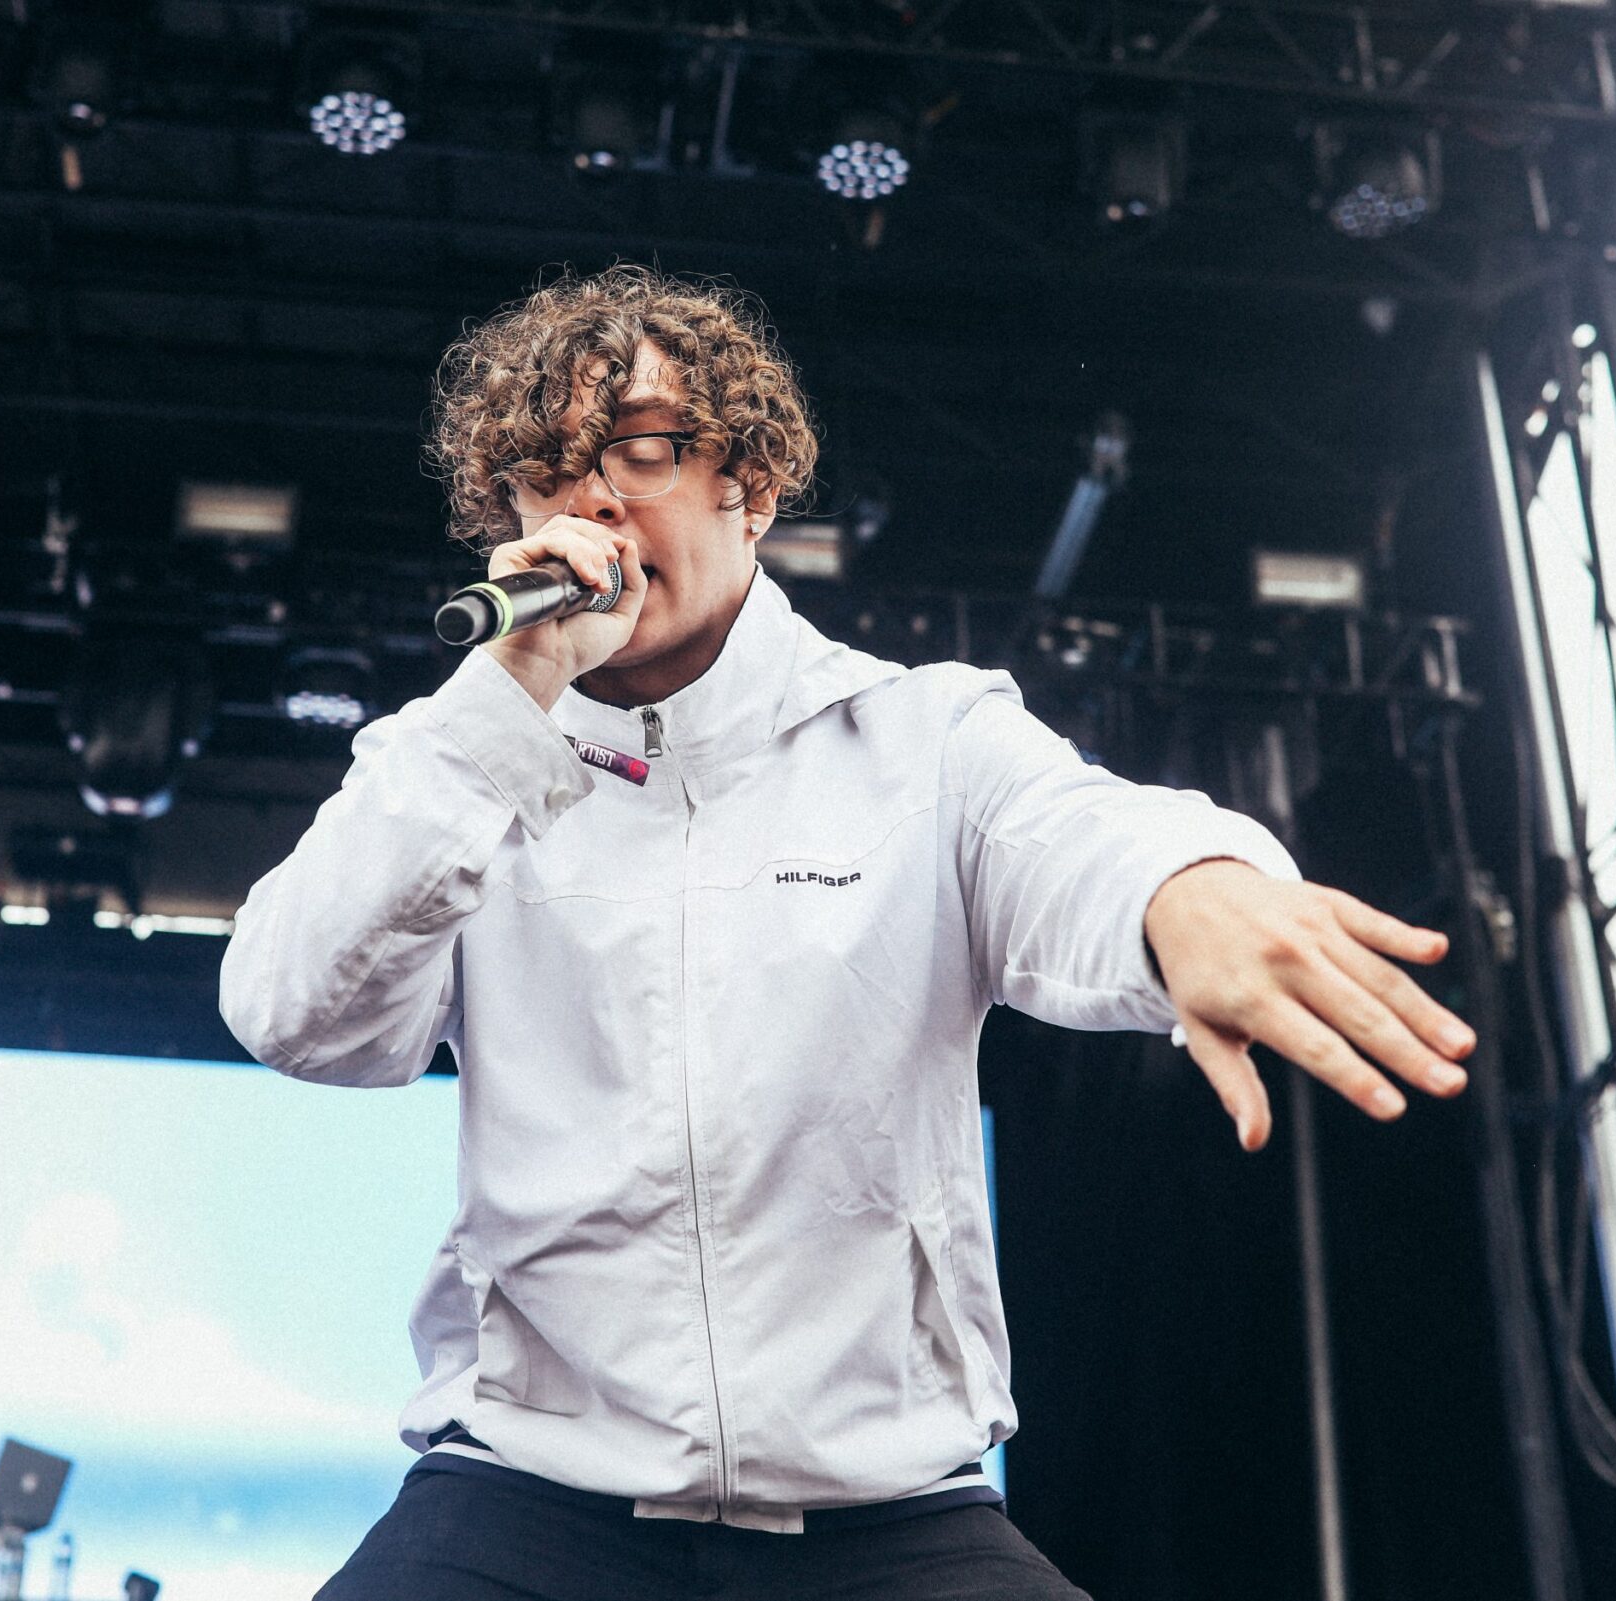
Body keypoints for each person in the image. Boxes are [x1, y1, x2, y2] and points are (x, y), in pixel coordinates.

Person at [219, 265, 1477, 1600]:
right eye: (546, 468)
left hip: (886, 1512)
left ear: (751, 488)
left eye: (641, 450)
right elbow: (294, 1013)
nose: (593, 498)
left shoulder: (922, 736)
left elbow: (1082, 837)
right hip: (527, 1491)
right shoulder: (453, 762)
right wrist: (505, 700)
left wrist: (1190, 885)